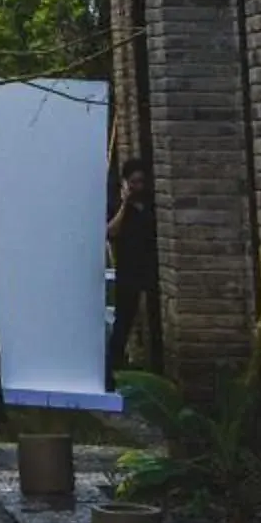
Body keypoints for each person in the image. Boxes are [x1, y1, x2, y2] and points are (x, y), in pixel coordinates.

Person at [105, 160, 156, 383]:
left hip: (149, 266)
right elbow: (110, 232)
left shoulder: (150, 204)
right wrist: (125, 204)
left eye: (141, 182)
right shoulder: (118, 205)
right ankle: (114, 366)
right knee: (124, 319)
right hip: (128, 268)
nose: (138, 187)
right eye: (133, 182)